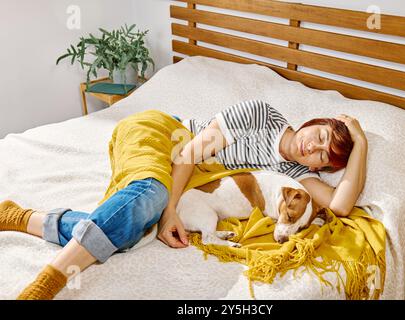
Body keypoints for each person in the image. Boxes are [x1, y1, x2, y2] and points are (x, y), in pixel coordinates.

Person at [0, 100, 367, 299]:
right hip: (167, 136)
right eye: (320, 136)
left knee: (133, 232)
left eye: (324, 157)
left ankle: (22, 218)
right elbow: (189, 153)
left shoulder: (296, 178)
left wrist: (360, 144)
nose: (313, 149)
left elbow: (339, 206)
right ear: (312, 122)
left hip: (196, 177)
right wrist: (171, 211)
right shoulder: (263, 114)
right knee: (153, 197)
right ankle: (48, 283)